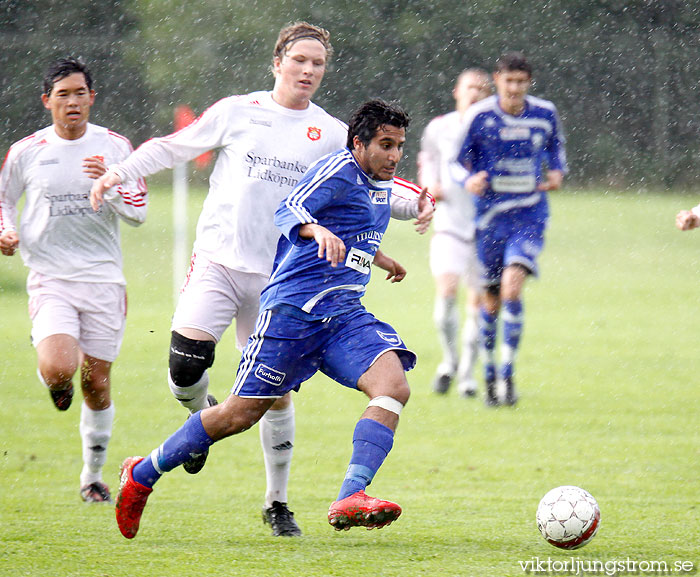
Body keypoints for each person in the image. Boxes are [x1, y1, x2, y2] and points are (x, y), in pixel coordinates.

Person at [90, 22, 432, 536]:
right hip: (241, 274)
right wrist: (121, 171)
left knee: (388, 388)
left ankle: (308, 500)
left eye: (318, 63)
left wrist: (415, 212)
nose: (309, 71)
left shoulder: (336, 134)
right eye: (300, 60)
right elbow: (175, 149)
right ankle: (146, 468)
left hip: (319, 297)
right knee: (213, 392)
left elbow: (373, 193)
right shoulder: (239, 111)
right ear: (278, 62)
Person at [0, 57, 147, 502]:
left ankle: (91, 477)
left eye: (80, 93)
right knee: (60, 368)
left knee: (97, 383)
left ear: (92, 98)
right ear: (47, 101)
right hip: (51, 277)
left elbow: (139, 211)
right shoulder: (27, 151)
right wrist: (5, 231)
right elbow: (3, 201)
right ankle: (56, 380)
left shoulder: (115, 148)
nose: (72, 102)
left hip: (103, 280)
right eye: (62, 94)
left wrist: (110, 184)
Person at [455, 52, 567, 406]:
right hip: (489, 220)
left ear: (528, 83)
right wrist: (469, 179)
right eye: (509, 81)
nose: (515, 88)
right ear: (497, 80)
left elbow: (557, 152)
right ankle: (488, 371)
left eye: (521, 82)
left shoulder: (544, 114)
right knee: (490, 301)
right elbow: (457, 162)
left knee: (512, 287)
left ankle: (507, 372)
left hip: (530, 217)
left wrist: (557, 173)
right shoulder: (480, 116)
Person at [418, 68, 492, 397]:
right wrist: (430, 186)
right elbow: (427, 161)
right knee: (447, 292)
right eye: (469, 87)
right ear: (456, 91)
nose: (475, 93)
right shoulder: (440, 127)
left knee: (479, 303)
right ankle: (449, 360)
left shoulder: (494, 128)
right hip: (449, 224)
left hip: (486, 228)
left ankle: (466, 375)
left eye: (481, 88)